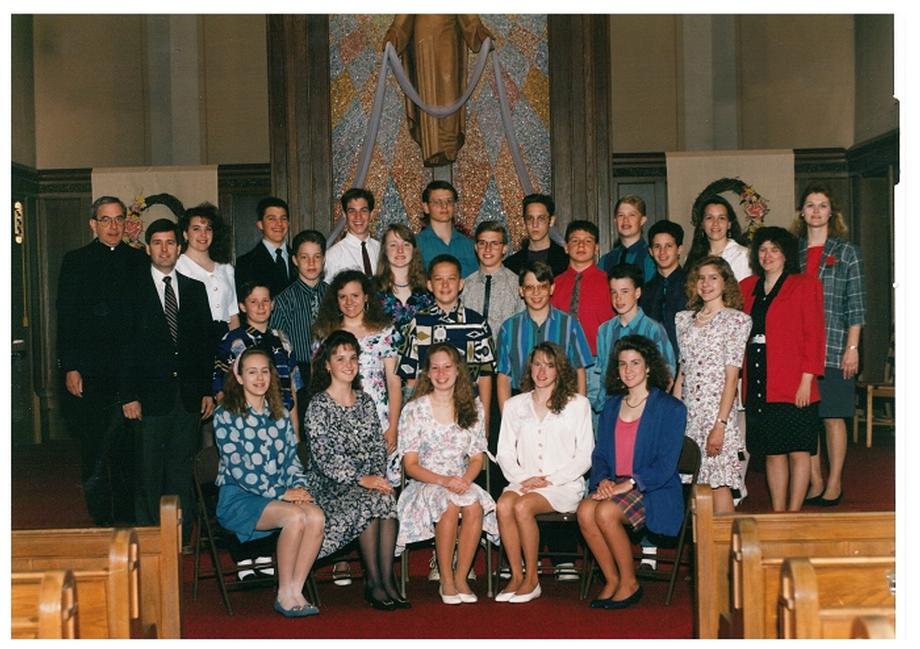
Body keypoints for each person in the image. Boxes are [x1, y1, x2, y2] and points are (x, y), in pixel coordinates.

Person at [120, 218, 214, 546]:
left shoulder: (194, 289)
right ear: (148, 248)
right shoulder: (132, 291)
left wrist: (206, 390)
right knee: (148, 470)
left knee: (180, 470)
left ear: (179, 247)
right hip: (147, 398)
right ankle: (149, 540)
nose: (164, 249)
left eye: (170, 243)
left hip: (187, 398)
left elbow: (204, 346)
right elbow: (124, 347)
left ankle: (180, 538)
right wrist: (128, 395)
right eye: (157, 243)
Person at [56, 195, 148, 525]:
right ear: (93, 224)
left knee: (128, 452)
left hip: (129, 372)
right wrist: (70, 366)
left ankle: (125, 521)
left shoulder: (138, 261)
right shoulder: (75, 260)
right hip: (90, 371)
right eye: (105, 219)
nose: (113, 226)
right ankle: (100, 521)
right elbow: (66, 318)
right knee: (95, 450)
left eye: (118, 219)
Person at [577, 336, 686, 610]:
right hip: (615, 485)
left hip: (653, 489)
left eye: (635, 363)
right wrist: (603, 480)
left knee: (605, 512)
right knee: (585, 511)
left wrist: (629, 483)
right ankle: (612, 580)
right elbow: (601, 454)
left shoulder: (670, 408)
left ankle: (629, 582)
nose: (628, 370)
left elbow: (665, 465)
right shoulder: (612, 406)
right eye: (622, 364)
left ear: (648, 367)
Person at [213, 348, 324, 617]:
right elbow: (240, 470)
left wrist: (300, 489)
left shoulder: (281, 414)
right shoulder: (225, 415)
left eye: (265, 371)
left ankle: (296, 590)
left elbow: (291, 460)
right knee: (295, 517)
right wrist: (282, 493)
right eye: (252, 372)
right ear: (239, 377)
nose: (260, 378)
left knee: (316, 516)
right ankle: (284, 594)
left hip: (278, 495)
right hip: (240, 497)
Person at [304, 330, 407, 610]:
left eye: (353, 358)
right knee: (372, 498)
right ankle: (374, 582)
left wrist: (377, 478)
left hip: (367, 481)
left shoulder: (365, 401)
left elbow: (377, 447)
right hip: (331, 487)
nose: (348, 364)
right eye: (340, 359)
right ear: (328, 365)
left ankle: (385, 579)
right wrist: (362, 479)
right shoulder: (318, 405)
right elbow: (324, 459)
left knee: (385, 496)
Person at [395, 343, 499, 604]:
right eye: (435, 368)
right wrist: (444, 481)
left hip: (461, 479)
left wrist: (465, 480)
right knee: (449, 505)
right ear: (427, 373)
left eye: (447, 367)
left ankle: (461, 577)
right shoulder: (414, 410)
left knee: (474, 505)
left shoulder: (473, 408)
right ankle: (446, 579)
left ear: (458, 370)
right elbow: (410, 465)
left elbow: (477, 458)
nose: (441, 374)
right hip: (426, 481)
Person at [494, 342, 594, 603]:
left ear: (559, 369)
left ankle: (532, 580)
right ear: (530, 367)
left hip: (563, 484)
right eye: (537, 364)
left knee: (523, 506)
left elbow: (585, 455)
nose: (542, 371)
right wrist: (521, 479)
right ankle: (516, 576)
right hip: (524, 481)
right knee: (503, 505)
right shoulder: (515, 405)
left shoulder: (578, 404)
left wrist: (550, 480)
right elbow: (504, 451)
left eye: (549, 365)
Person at [739, 226, 825, 512]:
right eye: (763, 250)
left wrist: (807, 380)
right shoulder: (747, 287)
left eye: (774, 250)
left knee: (798, 450)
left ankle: (794, 513)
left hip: (795, 381)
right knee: (773, 451)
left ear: (786, 254)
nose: (768, 255)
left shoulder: (805, 285)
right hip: (760, 380)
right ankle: (778, 514)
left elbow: (814, 334)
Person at [793, 183, 866, 507]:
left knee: (833, 417)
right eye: (810, 205)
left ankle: (834, 482)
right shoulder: (792, 251)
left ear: (831, 212)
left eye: (822, 205)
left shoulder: (847, 251)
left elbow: (857, 304)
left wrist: (853, 347)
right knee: (806, 417)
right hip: (799, 348)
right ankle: (815, 480)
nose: (816, 211)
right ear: (801, 212)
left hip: (836, 346)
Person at [673, 256, 752, 514]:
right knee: (694, 485)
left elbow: (732, 379)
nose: (706, 284)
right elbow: (682, 372)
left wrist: (720, 425)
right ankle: (702, 539)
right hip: (689, 414)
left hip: (716, 413)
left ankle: (725, 540)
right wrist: (674, 416)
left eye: (713, 278)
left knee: (718, 484)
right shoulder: (683, 320)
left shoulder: (736, 321)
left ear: (725, 282)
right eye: (701, 278)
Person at [313, 270, 402, 473]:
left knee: (381, 480)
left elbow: (394, 382)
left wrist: (393, 427)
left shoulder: (384, 332)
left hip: (378, 417)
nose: (349, 302)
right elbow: (318, 380)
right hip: (338, 417)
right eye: (342, 296)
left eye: (355, 295)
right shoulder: (325, 334)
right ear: (336, 300)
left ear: (366, 297)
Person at [396, 254, 495, 431]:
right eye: (438, 279)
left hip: (468, 413)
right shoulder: (418, 323)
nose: (445, 285)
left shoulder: (478, 324)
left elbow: (485, 377)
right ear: (429, 285)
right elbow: (411, 378)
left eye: (451, 279)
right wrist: (408, 421)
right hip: (427, 415)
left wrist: (485, 421)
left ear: (461, 284)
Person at [383, 15, 492, 166]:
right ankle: (432, 147)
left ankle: (448, 145)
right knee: (427, 89)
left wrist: (477, 29)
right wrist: (395, 33)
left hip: (448, 34)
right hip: (423, 36)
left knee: (449, 86)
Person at [496, 261, 593, 411]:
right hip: (522, 406)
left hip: (562, 404)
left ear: (552, 288)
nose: (536, 293)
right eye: (530, 287)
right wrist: (507, 417)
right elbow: (503, 377)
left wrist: (580, 412)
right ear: (521, 291)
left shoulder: (570, 325)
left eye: (542, 287)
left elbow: (580, 372)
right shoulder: (508, 328)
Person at [213, 282, 302, 436]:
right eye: (253, 302)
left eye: (265, 300)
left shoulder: (282, 339)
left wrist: (295, 434)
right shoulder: (232, 341)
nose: (261, 306)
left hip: (282, 423)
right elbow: (221, 391)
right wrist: (232, 428)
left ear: (272, 304)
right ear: (242, 306)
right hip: (246, 425)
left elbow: (292, 388)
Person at [592, 263, 675, 414]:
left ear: (637, 292)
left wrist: (650, 408)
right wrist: (599, 405)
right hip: (609, 408)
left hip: (643, 410)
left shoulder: (653, 330)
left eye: (625, 291)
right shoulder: (604, 330)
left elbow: (667, 375)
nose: (618, 298)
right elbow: (600, 372)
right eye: (614, 292)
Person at [270, 229, 328, 425]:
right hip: (299, 376)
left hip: (332, 371)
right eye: (304, 257)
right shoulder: (284, 300)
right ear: (295, 260)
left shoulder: (334, 295)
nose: (311, 263)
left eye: (316, 257)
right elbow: (277, 345)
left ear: (324, 259)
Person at [175, 202, 240, 337]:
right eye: (196, 229)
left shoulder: (226, 269)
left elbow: (233, 315)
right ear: (185, 234)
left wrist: (236, 344)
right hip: (192, 338)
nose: (203, 234)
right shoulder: (177, 266)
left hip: (224, 339)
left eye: (208, 229)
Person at [462, 221, 524, 345]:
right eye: (482, 243)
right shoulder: (465, 286)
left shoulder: (516, 286)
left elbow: (522, 329)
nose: (487, 249)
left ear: (504, 248)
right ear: (476, 247)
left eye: (494, 243)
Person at [373, 222, 435, 336]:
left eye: (406, 244)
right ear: (385, 250)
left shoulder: (429, 288)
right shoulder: (371, 288)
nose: (400, 250)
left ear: (414, 250)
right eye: (393, 245)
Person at [639, 220, 688, 358]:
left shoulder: (692, 286)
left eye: (668, 246)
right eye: (657, 246)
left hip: (685, 360)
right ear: (650, 251)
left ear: (679, 249)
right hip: (653, 360)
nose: (662, 252)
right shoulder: (645, 291)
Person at [234, 196, 297, 298]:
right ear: (260, 224)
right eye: (272, 219)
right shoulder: (245, 263)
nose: (279, 223)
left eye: (283, 218)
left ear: (288, 223)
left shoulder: (300, 259)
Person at [415, 180, 478, 277]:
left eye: (449, 201)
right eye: (437, 202)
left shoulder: (470, 246)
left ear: (455, 206)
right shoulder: (416, 245)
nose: (444, 206)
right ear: (426, 207)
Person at [685, 195, 751, 283]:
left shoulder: (743, 256)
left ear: (729, 224)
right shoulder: (692, 257)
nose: (715, 223)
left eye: (721, 218)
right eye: (709, 218)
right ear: (702, 224)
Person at [504, 194, 569, 277]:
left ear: (551, 221)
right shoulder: (511, 264)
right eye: (530, 218)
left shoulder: (566, 260)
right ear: (524, 222)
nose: (535, 224)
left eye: (541, 218)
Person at [324, 187, 381, 279]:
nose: (358, 217)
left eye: (363, 210)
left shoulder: (382, 251)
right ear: (344, 214)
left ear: (371, 214)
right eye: (352, 211)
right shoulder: (332, 256)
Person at [598, 196, 657, 282]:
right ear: (615, 221)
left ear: (642, 220)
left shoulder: (652, 258)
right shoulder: (606, 260)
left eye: (632, 215)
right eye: (621, 215)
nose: (625, 220)